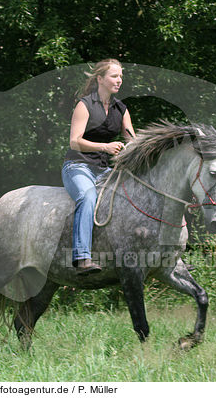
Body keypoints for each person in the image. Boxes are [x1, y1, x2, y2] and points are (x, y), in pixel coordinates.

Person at [62, 59, 136, 275]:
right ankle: (82, 257)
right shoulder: (84, 105)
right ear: (100, 79)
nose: (119, 80)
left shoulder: (121, 109)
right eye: (114, 76)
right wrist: (105, 147)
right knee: (87, 196)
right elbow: (75, 141)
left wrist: (136, 147)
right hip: (78, 166)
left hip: (104, 170)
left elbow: (132, 138)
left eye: (121, 76)